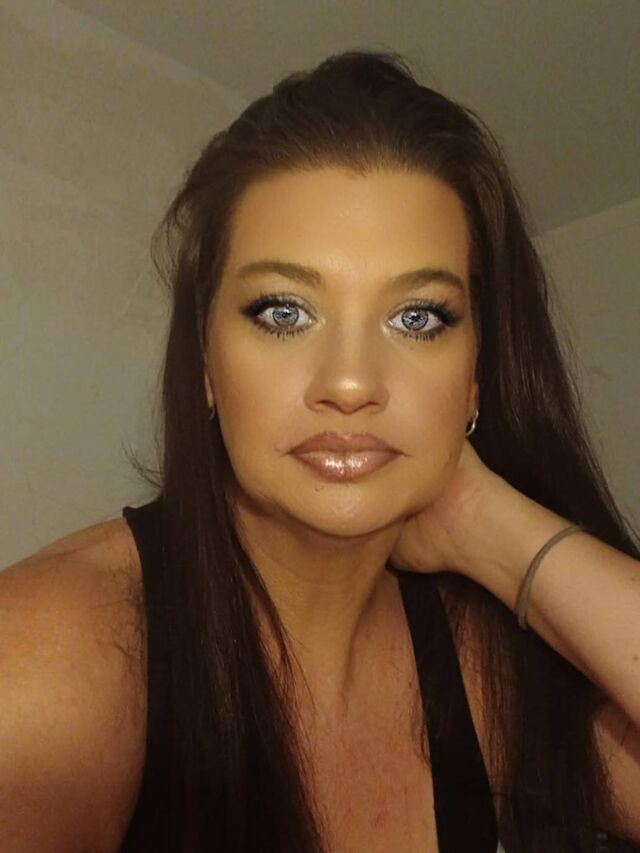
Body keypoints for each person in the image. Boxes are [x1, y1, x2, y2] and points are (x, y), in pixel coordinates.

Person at [1, 50, 639, 853]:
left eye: (417, 317)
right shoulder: (49, 660)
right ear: (205, 361)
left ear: (476, 372)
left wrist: (492, 527)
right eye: (283, 312)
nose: (349, 383)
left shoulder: (479, 661)